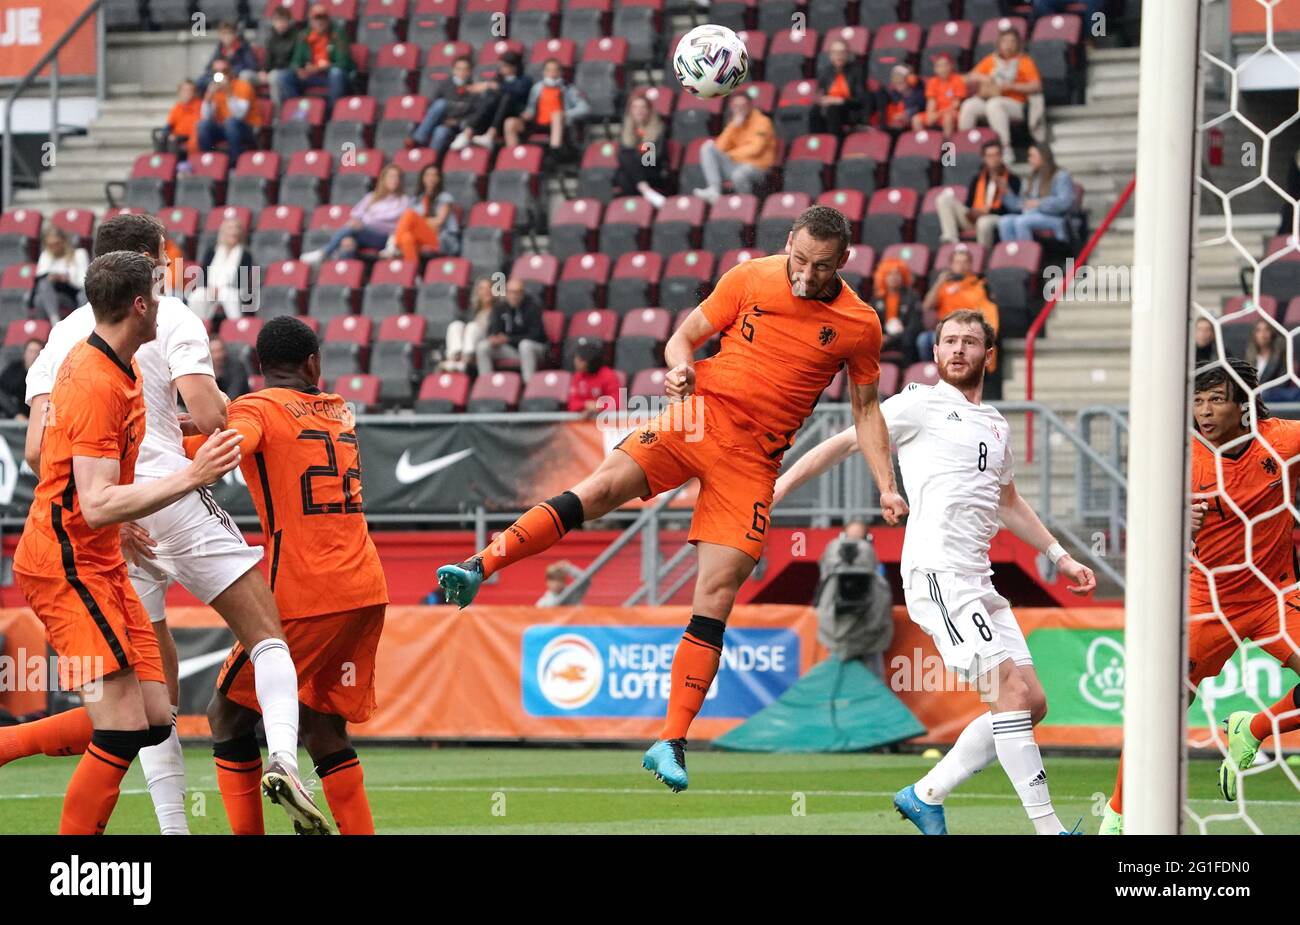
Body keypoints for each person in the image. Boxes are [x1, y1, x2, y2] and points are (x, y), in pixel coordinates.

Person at [437, 206, 907, 792]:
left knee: (717, 590)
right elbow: (683, 339)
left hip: (754, 460)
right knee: (602, 487)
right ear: (788, 243)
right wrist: (680, 369)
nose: (806, 276)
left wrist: (886, 485)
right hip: (698, 417)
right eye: (800, 260)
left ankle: (671, 739)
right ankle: (482, 565)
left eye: (821, 267)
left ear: (845, 261)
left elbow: (866, 411)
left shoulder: (859, 324)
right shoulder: (750, 277)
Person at [0, 214, 322, 837]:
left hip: (114, 530)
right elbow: (203, 414)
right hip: (99, 535)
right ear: (144, 284)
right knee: (260, 636)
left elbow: (43, 453)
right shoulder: (132, 348)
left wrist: (109, 505)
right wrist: (190, 470)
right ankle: (282, 755)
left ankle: (170, 828)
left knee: (151, 712)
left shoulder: (75, 342)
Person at [772, 309, 1096, 835]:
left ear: (988, 354)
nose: (959, 350)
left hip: (979, 580)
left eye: (970, 341)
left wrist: (1060, 554)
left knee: (1031, 702)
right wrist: (784, 486)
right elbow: (850, 437)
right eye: (949, 341)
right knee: (1008, 694)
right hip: (938, 576)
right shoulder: (919, 404)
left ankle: (925, 794)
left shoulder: (994, 422)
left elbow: (1008, 501)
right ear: (937, 351)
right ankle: (1050, 830)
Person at [6, 250, 243, 835]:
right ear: (139, 305)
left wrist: (118, 513)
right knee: (117, 728)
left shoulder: (125, 366)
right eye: (156, 296)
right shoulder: (93, 381)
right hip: (64, 562)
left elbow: (70, 466)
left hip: (98, 555)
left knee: (154, 719)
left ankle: (6, 744)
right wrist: (191, 475)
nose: (162, 305)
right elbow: (93, 500)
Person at [198, 316, 390, 836]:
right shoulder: (338, 410)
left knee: (227, 714)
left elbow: (228, 445)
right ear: (313, 364)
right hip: (366, 587)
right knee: (323, 724)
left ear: (261, 368)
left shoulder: (256, 408)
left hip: (306, 591)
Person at [1102, 360, 1300, 833]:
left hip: (1276, 596)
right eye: (1197, 401)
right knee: (1158, 706)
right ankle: (1117, 814)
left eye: (1216, 399)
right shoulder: (1178, 459)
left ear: (1243, 405)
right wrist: (1172, 521)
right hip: (1205, 601)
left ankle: (1252, 730)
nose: (1205, 411)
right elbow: (1141, 528)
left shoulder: (1284, 441)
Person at [301, 163, 410, 265]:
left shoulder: (403, 200)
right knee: (347, 242)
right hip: (363, 234)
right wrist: (360, 222)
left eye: (397, 177)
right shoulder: (372, 197)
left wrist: (365, 221)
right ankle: (343, 278)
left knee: (354, 226)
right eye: (391, 177)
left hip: (384, 238)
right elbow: (356, 214)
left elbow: (388, 220)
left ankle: (324, 252)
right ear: (384, 179)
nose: (395, 180)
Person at [959, 28, 1044, 157]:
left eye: (1012, 41)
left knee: (995, 104)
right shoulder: (991, 60)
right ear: (999, 43)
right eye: (1005, 41)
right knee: (969, 105)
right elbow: (965, 78)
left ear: (1018, 44)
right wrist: (983, 77)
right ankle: (966, 149)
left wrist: (1012, 86)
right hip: (990, 99)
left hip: (1016, 104)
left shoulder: (1025, 61)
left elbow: (1037, 86)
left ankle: (1004, 149)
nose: (1009, 45)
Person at [917, 245, 1000, 361]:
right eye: (957, 262)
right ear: (951, 265)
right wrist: (939, 283)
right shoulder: (944, 285)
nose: (961, 265)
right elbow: (927, 305)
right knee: (923, 340)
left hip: (968, 329)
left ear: (970, 264)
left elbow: (987, 312)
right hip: (946, 329)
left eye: (965, 262)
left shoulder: (979, 285)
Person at [692, 92, 777, 204]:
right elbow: (719, 147)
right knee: (708, 147)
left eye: (743, 105)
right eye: (736, 106)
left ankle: (745, 205)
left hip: (758, 166)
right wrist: (733, 127)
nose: (739, 109)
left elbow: (756, 149)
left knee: (739, 174)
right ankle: (714, 190)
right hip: (736, 164)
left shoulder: (762, 122)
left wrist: (731, 155)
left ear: (751, 105)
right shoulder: (734, 124)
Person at [934, 140, 1020, 248]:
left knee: (983, 222)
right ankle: (950, 240)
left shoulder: (1013, 179)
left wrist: (988, 210)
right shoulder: (977, 178)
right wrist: (973, 212)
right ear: (984, 158)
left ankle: (981, 253)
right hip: (975, 216)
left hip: (996, 218)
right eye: (989, 156)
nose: (993, 159)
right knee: (943, 199)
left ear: (1001, 156)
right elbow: (969, 203)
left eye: (996, 155)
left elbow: (1013, 209)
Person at [449, 51, 532, 151]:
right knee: (490, 97)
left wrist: (496, 86)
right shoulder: (498, 79)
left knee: (506, 97)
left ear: (514, 67)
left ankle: (489, 135)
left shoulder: (525, 80)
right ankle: (468, 132)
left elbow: (518, 92)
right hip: (494, 118)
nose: (501, 69)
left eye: (504, 66)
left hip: (514, 115)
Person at [505, 58, 590, 154]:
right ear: (544, 72)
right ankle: (511, 155)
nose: (552, 73)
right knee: (510, 122)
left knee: (557, 116)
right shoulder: (537, 88)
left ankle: (555, 153)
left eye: (555, 70)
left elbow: (584, 108)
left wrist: (565, 114)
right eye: (549, 70)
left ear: (560, 72)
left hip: (558, 124)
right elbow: (531, 108)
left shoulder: (568, 89)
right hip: (537, 123)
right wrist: (527, 113)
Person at [278, 3, 354, 109]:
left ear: (328, 19)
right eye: (316, 18)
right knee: (283, 76)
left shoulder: (338, 34)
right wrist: (299, 70)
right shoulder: (304, 35)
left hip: (328, 76)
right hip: (310, 75)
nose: (320, 22)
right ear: (311, 20)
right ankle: (295, 110)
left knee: (336, 73)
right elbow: (295, 62)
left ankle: (332, 115)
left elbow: (343, 62)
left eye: (323, 18)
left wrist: (324, 67)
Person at [997, 143, 1075, 242]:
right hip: (1031, 215)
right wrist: (1006, 191)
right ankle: (1012, 255)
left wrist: (1039, 203)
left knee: (1022, 221)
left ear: (1043, 157)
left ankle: (1026, 256)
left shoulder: (1061, 176)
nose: (1029, 159)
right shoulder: (1032, 178)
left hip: (1055, 217)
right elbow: (1020, 205)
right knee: (1005, 221)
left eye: (1032, 156)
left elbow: (1064, 203)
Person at [476, 277, 547, 382]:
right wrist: (494, 338)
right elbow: (495, 330)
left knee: (525, 345)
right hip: (511, 350)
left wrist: (509, 339)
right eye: (510, 292)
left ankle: (529, 386)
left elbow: (537, 335)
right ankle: (486, 384)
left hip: (534, 349)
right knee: (483, 346)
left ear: (522, 293)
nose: (513, 296)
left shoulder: (533, 307)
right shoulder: (500, 307)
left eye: (517, 292)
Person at [196, 57, 263, 168]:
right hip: (226, 128)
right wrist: (208, 98)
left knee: (231, 123)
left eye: (224, 71)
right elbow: (206, 117)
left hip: (248, 127)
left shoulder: (242, 85)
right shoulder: (214, 88)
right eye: (216, 72)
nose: (220, 75)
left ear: (230, 71)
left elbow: (239, 115)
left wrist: (229, 93)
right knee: (203, 125)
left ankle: (235, 165)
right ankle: (208, 165)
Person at [187, 216, 256, 323]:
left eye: (236, 228)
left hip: (233, 290)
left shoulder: (245, 255)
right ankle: (197, 326)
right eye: (230, 228)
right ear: (223, 231)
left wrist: (220, 289)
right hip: (210, 289)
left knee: (227, 294)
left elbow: (243, 281)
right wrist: (210, 288)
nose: (233, 231)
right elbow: (203, 275)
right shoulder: (212, 252)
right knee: (196, 295)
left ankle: (235, 326)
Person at [385, 164, 461, 261]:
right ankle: (414, 274)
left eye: (434, 175)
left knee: (409, 214)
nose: (431, 178)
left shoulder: (445, 197)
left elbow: (438, 222)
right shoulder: (416, 200)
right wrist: (417, 222)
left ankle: (393, 244)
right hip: (421, 236)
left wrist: (417, 221)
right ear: (422, 178)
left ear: (439, 179)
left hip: (441, 239)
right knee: (406, 237)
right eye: (428, 175)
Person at [409, 56, 478, 152]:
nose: (462, 72)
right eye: (458, 69)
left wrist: (455, 121)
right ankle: (418, 139)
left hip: (456, 127)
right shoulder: (444, 85)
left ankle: (431, 161)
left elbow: (473, 113)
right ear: (453, 70)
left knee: (440, 132)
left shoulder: (475, 89)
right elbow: (433, 108)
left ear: (470, 71)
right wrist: (457, 108)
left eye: (465, 69)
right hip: (440, 120)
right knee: (440, 104)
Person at [613, 94, 668, 209]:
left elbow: (653, 156)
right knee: (623, 175)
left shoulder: (658, 127)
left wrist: (635, 156)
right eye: (635, 107)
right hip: (635, 173)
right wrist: (636, 155)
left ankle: (634, 209)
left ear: (649, 110)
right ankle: (646, 191)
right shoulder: (627, 128)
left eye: (643, 107)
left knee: (625, 165)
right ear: (630, 110)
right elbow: (621, 156)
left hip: (651, 168)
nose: (639, 111)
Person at [871, 257, 923, 365]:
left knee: (908, 339)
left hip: (903, 337)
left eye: (897, 274)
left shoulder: (912, 296)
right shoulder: (877, 299)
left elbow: (914, 326)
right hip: (883, 337)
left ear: (903, 276)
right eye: (890, 274)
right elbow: (873, 324)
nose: (894, 277)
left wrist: (890, 339)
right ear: (883, 277)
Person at [32, 227, 89, 322]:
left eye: (57, 244)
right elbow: (40, 279)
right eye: (50, 245)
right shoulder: (46, 256)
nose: (54, 248)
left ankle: (80, 323)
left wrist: (67, 279)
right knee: (39, 296)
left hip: (73, 294)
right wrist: (52, 277)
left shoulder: (79, 254)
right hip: (55, 296)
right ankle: (54, 320)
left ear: (64, 241)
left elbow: (85, 283)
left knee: (82, 296)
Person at [815, 39, 871, 137]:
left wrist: (839, 101)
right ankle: (818, 145)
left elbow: (860, 99)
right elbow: (820, 93)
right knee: (813, 111)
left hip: (850, 109)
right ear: (830, 55)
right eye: (835, 52)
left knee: (832, 110)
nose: (838, 56)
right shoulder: (825, 73)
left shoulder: (857, 72)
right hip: (830, 109)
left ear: (847, 54)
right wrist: (821, 100)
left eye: (842, 52)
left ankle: (835, 144)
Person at [441, 276, 495, 373]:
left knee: (472, 326)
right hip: (469, 340)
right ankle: (453, 358)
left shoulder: (499, 309)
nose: (486, 292)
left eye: (489, 288)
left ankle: (465, 360)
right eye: (482, 289)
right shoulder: (473, 310)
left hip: (485, 341)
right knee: (455, 325)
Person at [252, 5, 300, 108]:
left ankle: (276, 112)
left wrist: (271, 72)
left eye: (283, 20)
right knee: (245, 76)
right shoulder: (271, 37)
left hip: (288, 72)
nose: (280, 24)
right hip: (272, 71)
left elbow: (295, 61)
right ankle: (252, 111)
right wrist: (264, 71)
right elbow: (268, 59)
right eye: (277, 20)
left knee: (274, 77)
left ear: (289, 21)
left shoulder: (296, 37)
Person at [197, 20, 258, 93]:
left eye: (229, 33)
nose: (227, 36)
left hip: (235, 78)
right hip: (221, 77)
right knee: (200, 81)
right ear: (220, 35)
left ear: (235, 34)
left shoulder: (243, 47)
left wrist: (230, 72)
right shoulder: (220, 49)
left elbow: (252, 66)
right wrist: (216, 69)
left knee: (243, 76)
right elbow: (209, 68)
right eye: (224, 33)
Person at [915, 52, 967, 135]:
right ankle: (924, 144)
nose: (942, 68)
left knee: (948, 118)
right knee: (916, 119)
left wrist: (937, 115)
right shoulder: (932, 81)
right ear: (935, 69)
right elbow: (931, 101)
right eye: (939, 66)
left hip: (952, 113)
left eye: (945, 65)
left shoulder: (958, 80)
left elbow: (955, 105)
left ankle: (947, 145)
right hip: (937, 113)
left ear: (951, 66)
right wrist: (930, 114)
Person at [567, 340, 621, 414]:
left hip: (606, 421)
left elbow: (616, 402)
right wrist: (586, 405)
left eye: (580, 360)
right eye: (576, 358)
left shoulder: (609, 376)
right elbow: (572, 404)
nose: (576, 362)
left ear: (591, 361)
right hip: (580, 422)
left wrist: (597, 407)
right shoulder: (578, 376)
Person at [0, 338, 41, 418]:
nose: (34, 355)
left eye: (37, 352)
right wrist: (16, 414)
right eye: (31, 351)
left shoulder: (47, 375)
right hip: (11, 419)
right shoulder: (13, 370)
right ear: (24, 354)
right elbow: (2, 393)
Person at [160, 79, 202, 154]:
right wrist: (169, 135)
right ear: (179, 92)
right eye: (184, 90)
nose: (187, 93)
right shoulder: (177, 107)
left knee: (174, 141)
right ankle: (163, 164)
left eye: (190, 90)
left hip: (191, 137)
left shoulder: (200, 105)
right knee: (163, 138)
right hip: (178, 136)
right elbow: (169, 125)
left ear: (194, 92)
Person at [882, 64, 926, 133]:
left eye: (901, 81)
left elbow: (921, 106)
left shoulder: (919, 92)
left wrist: (907, 113)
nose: (898, 85)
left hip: (915, 122)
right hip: (900, 126)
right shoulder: (894, 94)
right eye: (896, 82)